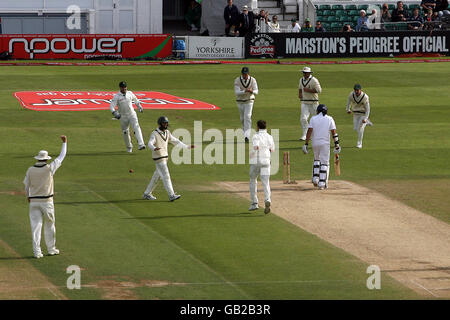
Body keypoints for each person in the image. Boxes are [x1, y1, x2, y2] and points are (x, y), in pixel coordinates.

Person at [23, 135, 67, 258]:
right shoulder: (49, 168)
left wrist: (28, 196)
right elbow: (61, 156)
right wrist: (64, 143)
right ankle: (51, 249)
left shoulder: (30, 169)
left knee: (35, 227)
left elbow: (26, 185)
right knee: (50, 225)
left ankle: (37, 252)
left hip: (34, 202)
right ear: (46, 159)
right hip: (47, 201)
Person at [143, 116, 193, 201]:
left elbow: (175, 141)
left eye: (166, 123)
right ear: (160, 124)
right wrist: (154, 148)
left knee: (157, 176)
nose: (166, 125)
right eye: (164, 123)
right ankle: (171, 195)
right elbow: (150, 143)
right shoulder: (154, 133)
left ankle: (147, 193)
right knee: (166, 175)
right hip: (159, 158)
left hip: (165, 158)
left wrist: (186, 147)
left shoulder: (167, 133)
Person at [302, 105, 340, 190]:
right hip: (325, 144)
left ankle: (315, 179)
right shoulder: (330, 119)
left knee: (316, 159)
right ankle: (322, 183)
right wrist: (337, 144)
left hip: (315, 143)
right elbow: (334, 132)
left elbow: (309, 131)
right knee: (324, 163)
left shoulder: (313, 119)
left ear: (318, 111)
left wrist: (306, 144)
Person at [109, 81, 146, 153]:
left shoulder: (130, 93)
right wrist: (114, 113)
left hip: (132, 114)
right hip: (123, 116)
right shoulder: (117, 96)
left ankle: (141, 144)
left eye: (125, 87)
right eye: (122, 87)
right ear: (120, 88)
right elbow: (111, 106)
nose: (124, 88)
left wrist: (139, 106)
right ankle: (129, 147)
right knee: (125, 132)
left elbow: (136, 100)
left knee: (136, 127)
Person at [249, 120, 275, 213]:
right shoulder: (270, 137)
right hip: (266, 161)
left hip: (256, 161)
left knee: (253, 180)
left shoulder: (256, 136)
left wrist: (252, 154)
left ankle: (254, 203)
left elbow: (256, 147)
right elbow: (272, 150)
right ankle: (267, 199)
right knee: (266, 182)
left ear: (257, 127)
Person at [234, 66, 259, 142]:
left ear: (248, 73)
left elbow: (256, 91)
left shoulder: (253, 80)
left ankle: (247, 136)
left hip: (249, 100)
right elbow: (237, 92)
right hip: (240, 101)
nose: (245, 75)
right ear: (242, 74)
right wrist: (245, 91)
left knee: (247, 116)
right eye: (243, 74)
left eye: (246, 74)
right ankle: (245, 131)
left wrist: (252, 91)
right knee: (242, 119)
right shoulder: (237, 80)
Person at [298, 66, 322, 141]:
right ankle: (305, 134)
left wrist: (308, 90)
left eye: (306, 73)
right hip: (304, 102)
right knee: (303, 119)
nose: (304, 74)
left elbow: (319, 90)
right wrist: (300, 94)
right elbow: (300, 88)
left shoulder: (314, 80)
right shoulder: (301, 80)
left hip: (313, 102)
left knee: (316, 119)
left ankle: (317, 134)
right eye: (303, 73)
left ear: (309, 73)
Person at [346, 84, 373, 149]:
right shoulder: (351, 95)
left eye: (357, 90)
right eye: (355, 90)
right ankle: (366, 122)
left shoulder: (365, 97)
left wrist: (365, 118)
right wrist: (348, 109)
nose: (356, 91)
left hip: (363, 114)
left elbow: (368, 109)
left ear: (360, 90)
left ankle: (359, 143)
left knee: (360, 129)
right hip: (355, 114)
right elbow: (348, 101)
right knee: (355, 128)